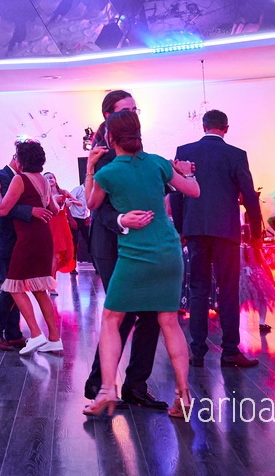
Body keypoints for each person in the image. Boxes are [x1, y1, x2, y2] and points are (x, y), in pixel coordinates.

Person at [82, 110, 200, 418]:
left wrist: (90, 168)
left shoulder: (109, 172)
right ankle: (183, 395)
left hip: (135, 253)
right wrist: (185, 172)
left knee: (111, 319)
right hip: (169, 250)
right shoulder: (158, 163)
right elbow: (194, 191)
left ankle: (107, 391)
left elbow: (91, 204)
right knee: (169, 321)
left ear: (110, 138)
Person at [83, 90, 166, 409]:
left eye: (135, 108)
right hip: (111, 244)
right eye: (126, 109)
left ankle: (131, 385)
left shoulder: (135, 150)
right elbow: (98, 208)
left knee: (148, 313)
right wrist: (122, 219)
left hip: (139, 243)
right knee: (125, 313)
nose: (133, 113)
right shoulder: (102, 153)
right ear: (108, 115)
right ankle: (103, 383)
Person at [169, 109, 263, 368]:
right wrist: (256, 231)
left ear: (203, 126)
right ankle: (230, 350)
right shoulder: (236, 154)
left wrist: (181, 228)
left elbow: (176, 193)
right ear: (226, 128)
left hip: (195, 229)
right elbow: (249, 195)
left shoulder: (185, 151)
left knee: (197, 289)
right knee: (228, 290)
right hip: (226, 231)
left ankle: (197, 351)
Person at [0, 140, 62, 356]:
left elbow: (2, 210)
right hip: (43, 236)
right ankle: (54, 338)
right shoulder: (43, 180)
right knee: (40, 289)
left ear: (21, 159)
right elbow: (55, 209)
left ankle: (35, 333)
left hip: (28, 238)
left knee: (14, 286)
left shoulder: (19, 179)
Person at [0, 152, 41, 351]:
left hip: (9, 240)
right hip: (4, 240)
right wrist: (32, 210)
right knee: (11, 287)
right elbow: (7, 208)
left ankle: (13, 333)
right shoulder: (2, 177)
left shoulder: (9, 177)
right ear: (17, 158)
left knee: (14, 286)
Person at [240, 238, 275, 333]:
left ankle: (232, 322)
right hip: (258, 277)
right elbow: (265, 265)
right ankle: (262, 323)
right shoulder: (256, 250)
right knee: (262, 299)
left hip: (242, 277)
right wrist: (271, 280)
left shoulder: (238, 249)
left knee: (238, 300)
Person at [44, 171, 77, 280]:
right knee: (55, 254)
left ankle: (51, 274)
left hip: (63, 225)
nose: (50, 179)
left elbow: (74, 201)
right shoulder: (44, 195)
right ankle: (51, 279)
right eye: (47, 178)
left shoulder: (63, 192)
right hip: (52, 224)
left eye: (51, 177)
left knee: (68, 255)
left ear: (55, 179)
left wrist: (72, 202)